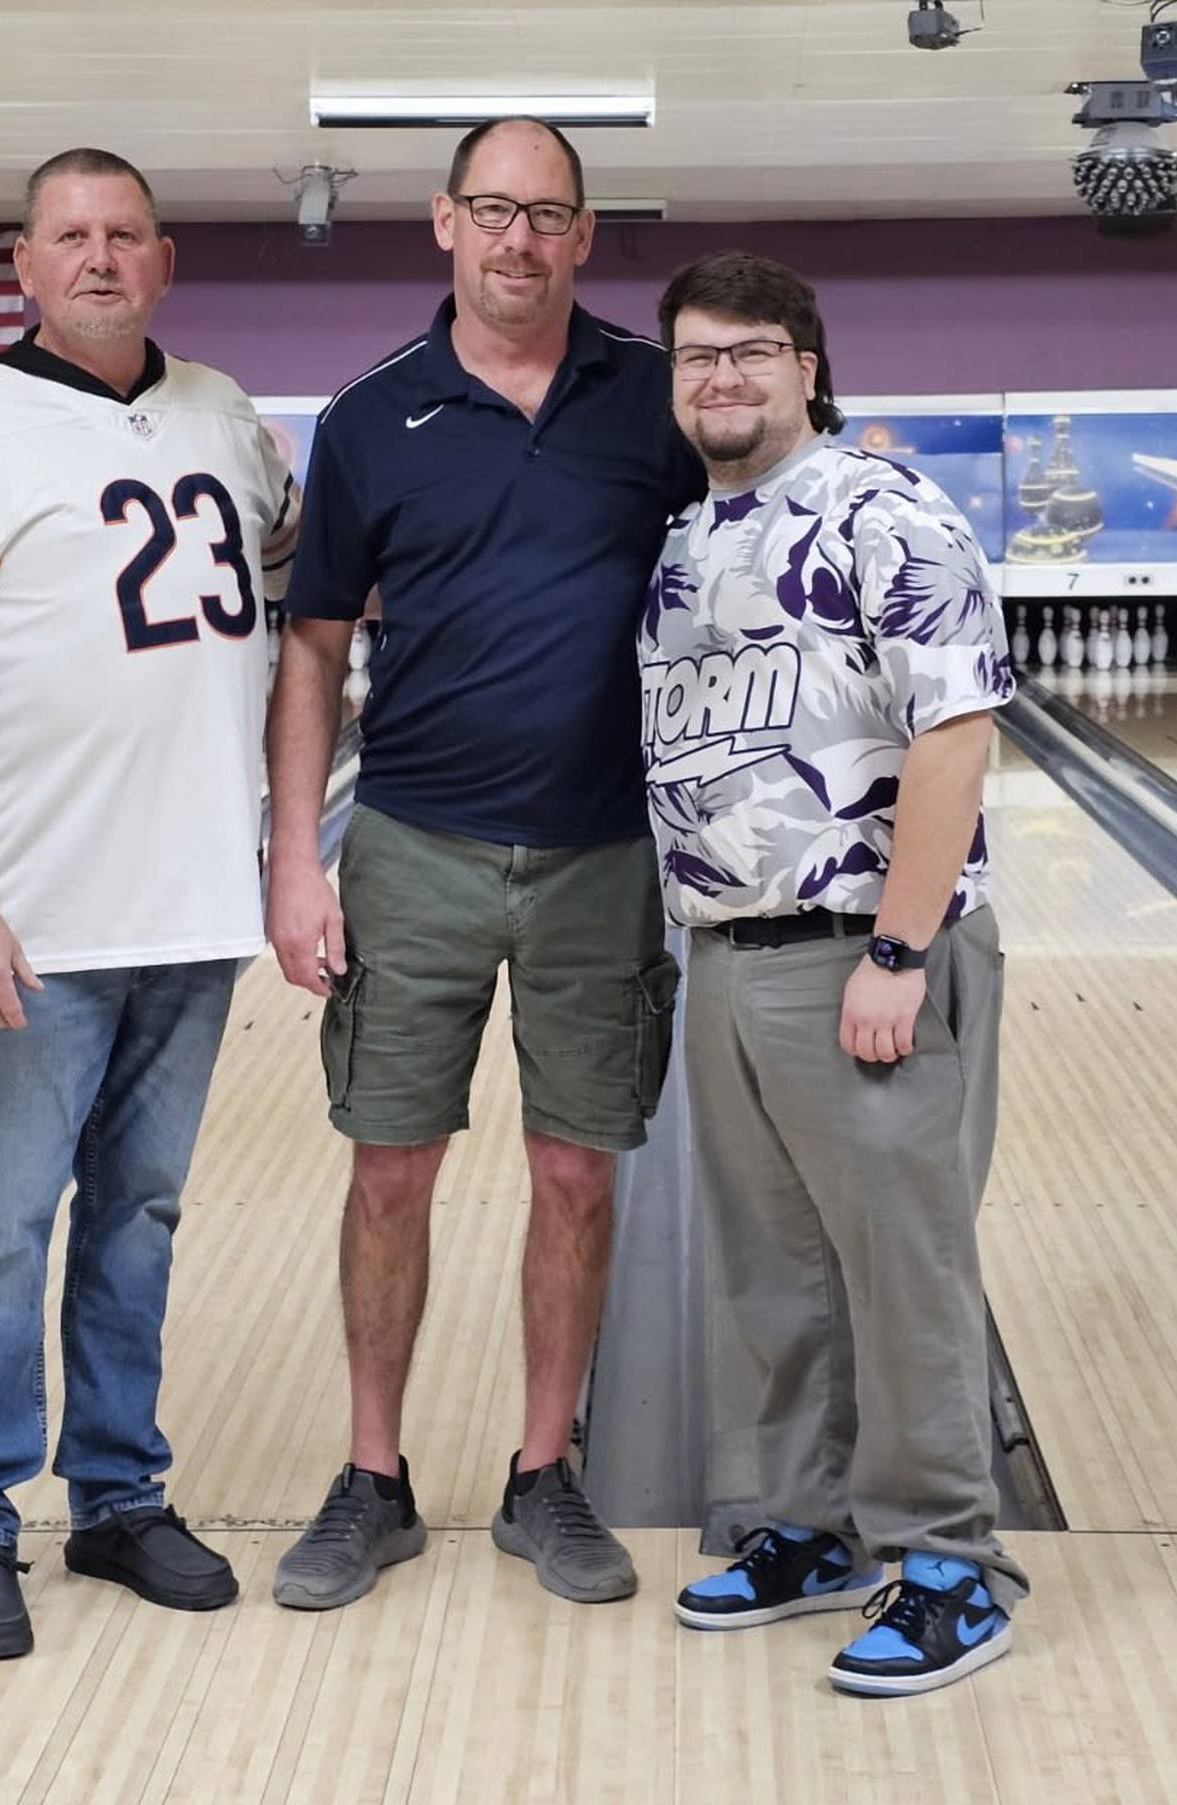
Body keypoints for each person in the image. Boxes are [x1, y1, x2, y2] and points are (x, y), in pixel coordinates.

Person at [267, 117, 702, 1612]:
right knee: (391, 1167)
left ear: (586, 237)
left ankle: (543, 1476)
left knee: (577, 1172)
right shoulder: (370, 415)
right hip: (413, 842)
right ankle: (373, 1478)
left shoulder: (655, 400)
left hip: (604, 850)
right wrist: (292, 857)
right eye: (495, 210)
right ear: (444, 222)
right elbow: (313, 644)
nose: (521, 239)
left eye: (552, 215)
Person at [0, 147, 298, 1661]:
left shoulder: (227, 418)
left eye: (126, 234)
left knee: (138, 1221)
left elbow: (308, 601)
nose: (101, 256)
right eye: (73, 235)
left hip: (194, 914)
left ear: (165, 260)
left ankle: (118, 1497)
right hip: (41, 924)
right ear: (25, 262)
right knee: (1, 1227)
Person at [644, 251, 1028, 1696]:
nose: (721, 377)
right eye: (695, 355)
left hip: (861, 947)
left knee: (900, 1263)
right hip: (729, 952)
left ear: (807, 364)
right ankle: (805, 1524)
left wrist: (899, 947)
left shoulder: (881, 508)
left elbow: (956, 728)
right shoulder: (688, 538)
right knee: (773, 1267)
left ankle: (948, 1562)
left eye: (750, 351)